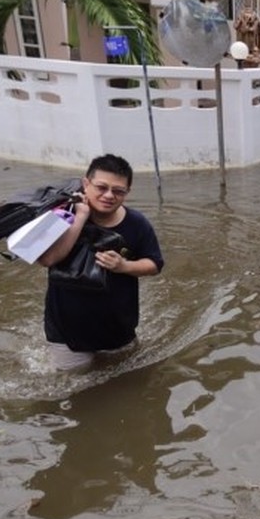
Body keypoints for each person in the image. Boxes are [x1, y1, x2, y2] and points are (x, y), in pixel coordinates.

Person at [38, 154, 163, 371]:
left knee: (127, 382)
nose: (108, 195)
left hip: (118, 327)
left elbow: (154, 264)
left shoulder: (137, 223)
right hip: (66, 332)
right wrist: (81, 217)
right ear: (86, 183)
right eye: (101, 187)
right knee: (73, 386)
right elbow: (48, 259)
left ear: (127, 193)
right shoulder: (61, 214)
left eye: (118, 191)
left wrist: (124, 266)